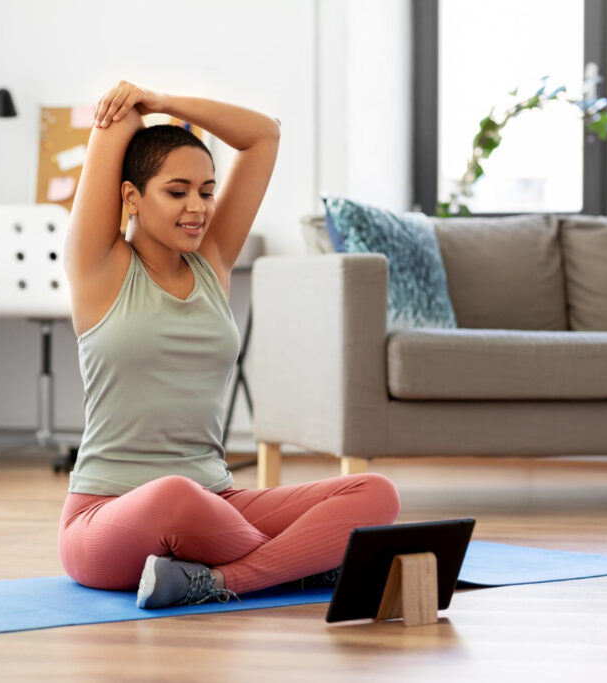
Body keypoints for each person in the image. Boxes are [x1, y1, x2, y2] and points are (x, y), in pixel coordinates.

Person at [58, 80, 400, 609]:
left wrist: (167, 102)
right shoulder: (99, 268)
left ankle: (217, 581)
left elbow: (264, 135)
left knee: (375, 492)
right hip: (106, 516)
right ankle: (306, 563)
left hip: (221, 503)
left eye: (206, 190)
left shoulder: (212, 260)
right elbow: (119, 122)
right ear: (131, 197)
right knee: (175, 495)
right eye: (177, 191)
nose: (197, 206)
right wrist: (133, 104)